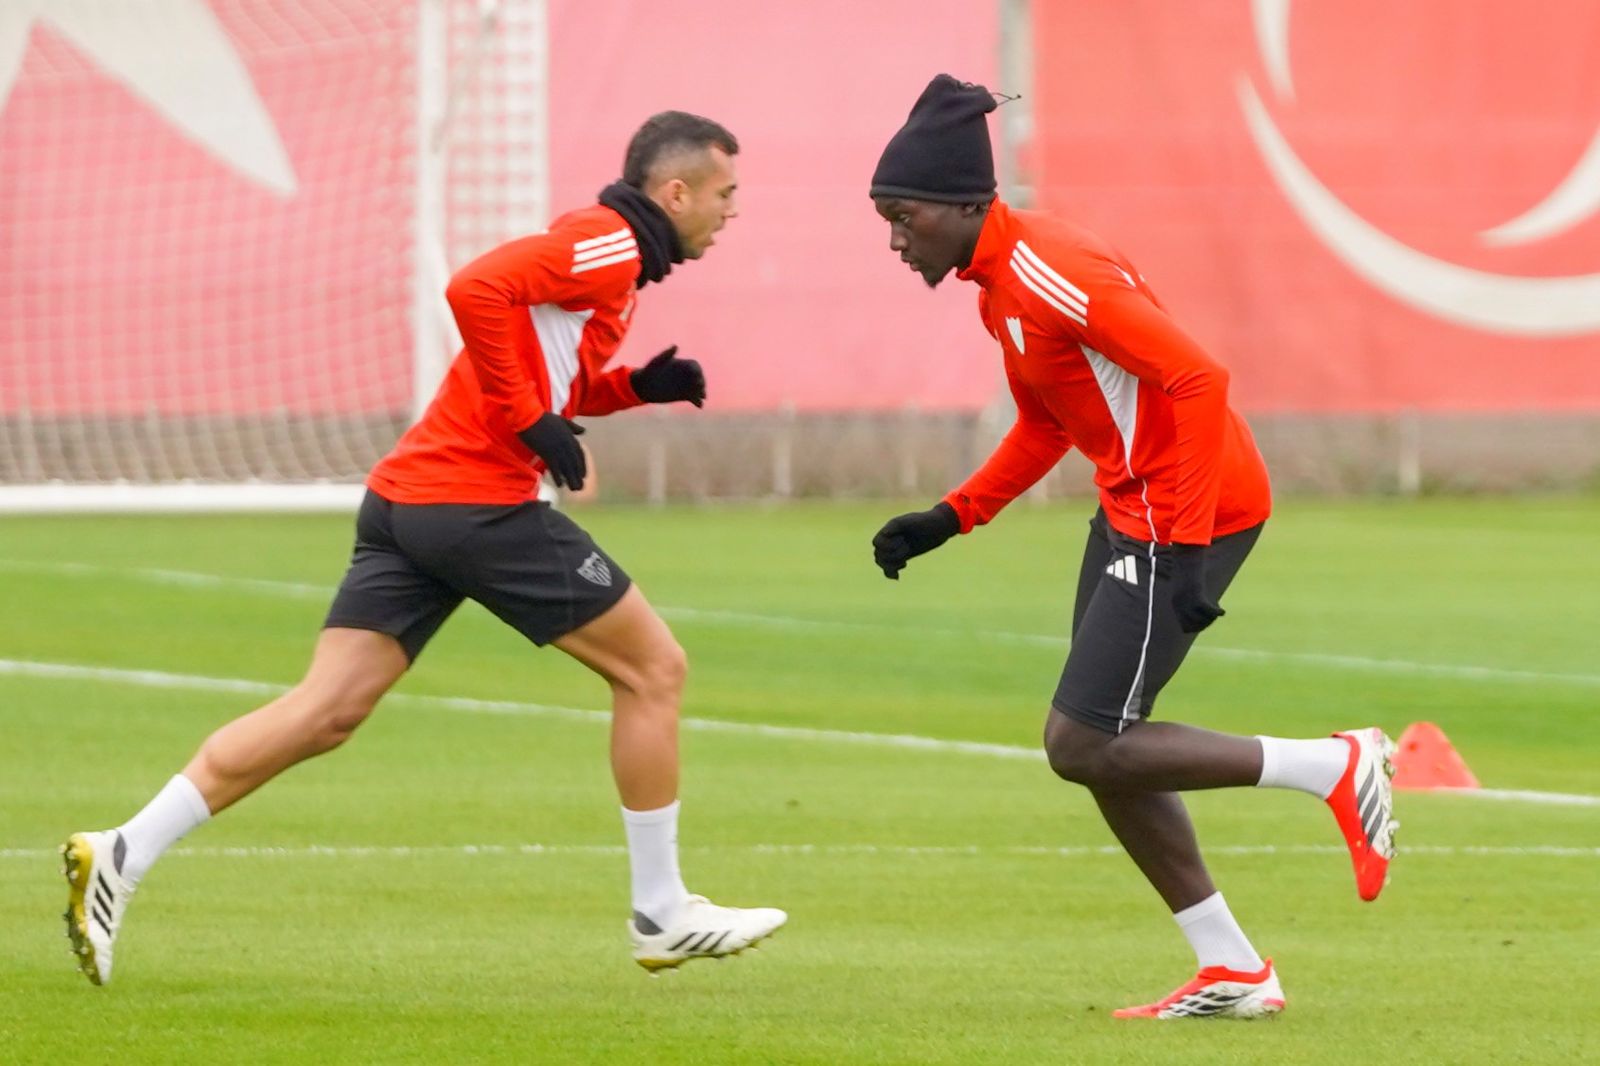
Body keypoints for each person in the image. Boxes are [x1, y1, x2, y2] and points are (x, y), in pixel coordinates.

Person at [61, 111, 785, 986]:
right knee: (653, 671)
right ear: (675, 193)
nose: (732, 211)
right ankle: (662, 911)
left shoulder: (616, 266)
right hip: (476, 503)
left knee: (324, 712)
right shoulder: (608, 244)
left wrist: (637, 387)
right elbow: (475, 288)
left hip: (409, 501)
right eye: (725, 194)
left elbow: (547, 368)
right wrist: (529, 422)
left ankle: (120, 854)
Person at [867, 75, 1396, 1020]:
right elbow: (1047, 422)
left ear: (959, 204)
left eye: (903, 217)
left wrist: (1186, 550)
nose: (895, 239)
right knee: (1104, 740)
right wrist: (951, 517)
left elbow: (1198, 377)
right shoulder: (999, 289)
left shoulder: (1044, 268)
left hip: (1188, 511)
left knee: (1083, 742)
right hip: (1134, 511)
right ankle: (1232, 968)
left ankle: (1335, 767)